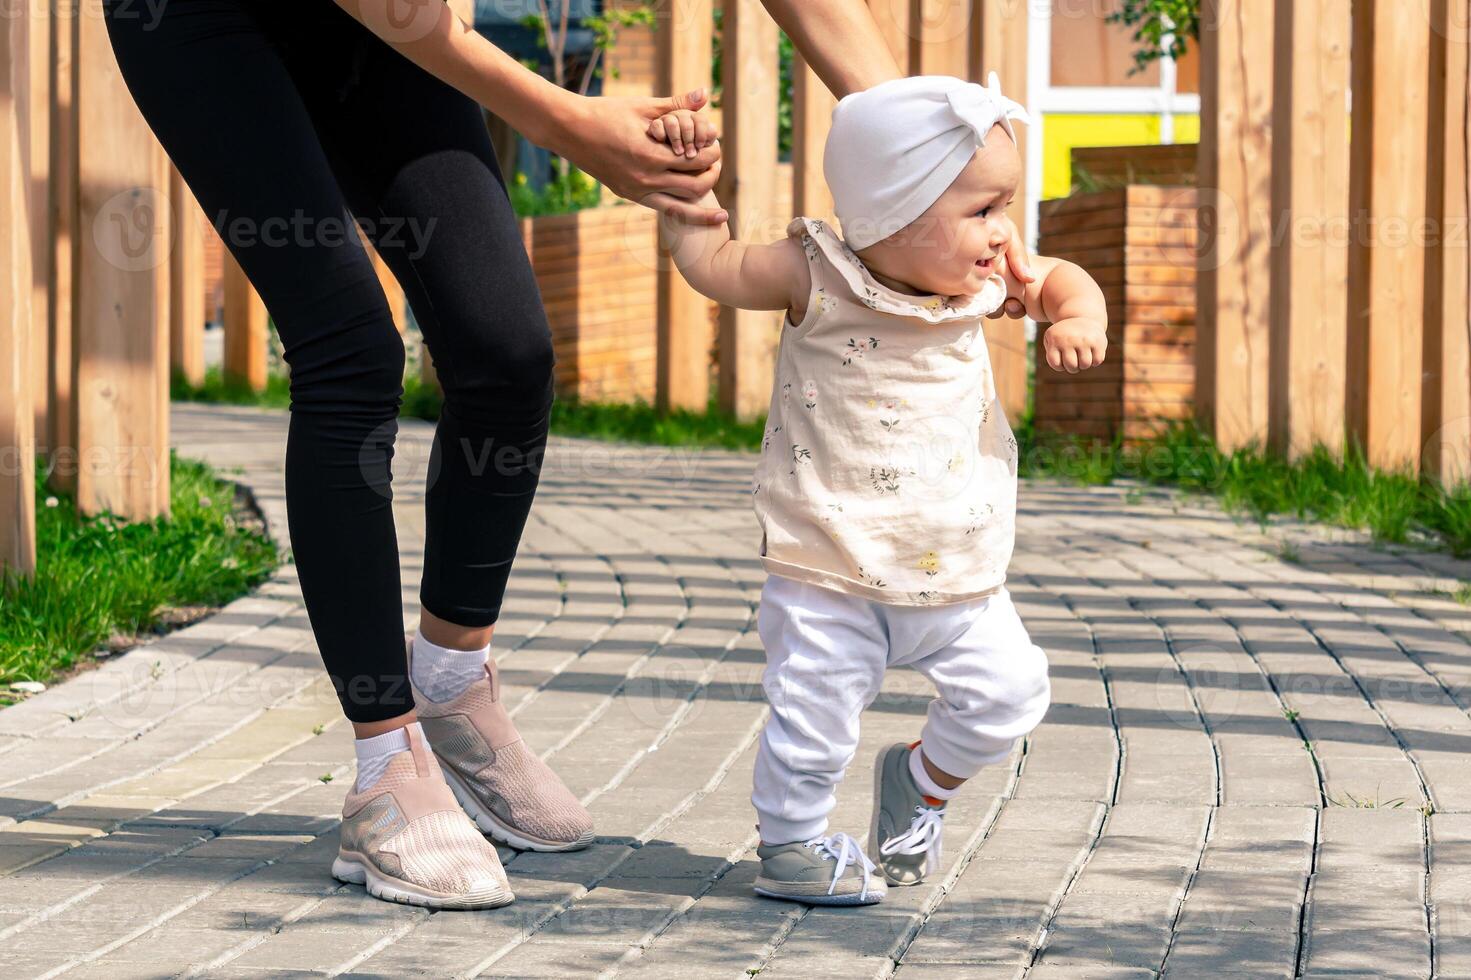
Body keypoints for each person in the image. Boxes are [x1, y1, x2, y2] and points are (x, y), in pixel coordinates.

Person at [101, 0, 1036, 910]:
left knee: (505, 353)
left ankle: (452, 685)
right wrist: (573, 126)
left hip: (392, 33)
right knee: (352, 348)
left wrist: (949, 181)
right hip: (204, 18)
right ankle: (386, 768)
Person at [655, 72, 1108, 905]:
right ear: (891, 210)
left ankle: (919, 784)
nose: (1004, 230)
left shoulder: (986, 274)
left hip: (955, 567)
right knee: (812, 715)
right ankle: (791, 845)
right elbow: (715, 269)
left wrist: (1079, 317)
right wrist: (687, 206)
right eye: (980, 209)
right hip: (827, 566)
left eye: (1004, 205)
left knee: (1011, 694)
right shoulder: (812, 272)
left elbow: (1060, 281)